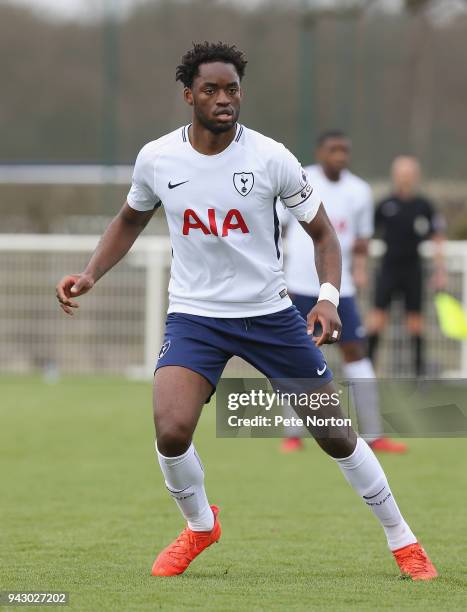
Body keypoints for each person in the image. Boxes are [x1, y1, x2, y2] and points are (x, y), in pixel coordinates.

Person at [55, 42, 436, 580]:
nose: (223, 99)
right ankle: (199, 525)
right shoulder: (158, 158)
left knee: (333, 433)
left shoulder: (270, 158)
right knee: (171, 429)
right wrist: (91, 272)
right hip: (195, 317)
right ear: (189, 95)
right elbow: (130, 220)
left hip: (269, 314)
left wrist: (328, 297)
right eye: (210, 90)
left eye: (232, 89)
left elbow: (324, 234)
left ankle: (404, 541)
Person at [279, 130, 406, 454]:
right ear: (320, 152)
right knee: (296, 358)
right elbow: (278, 228)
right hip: (298, 286)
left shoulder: (360, 191)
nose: (340, 156)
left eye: (345, 151)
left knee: (357, 355)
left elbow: (361, 241)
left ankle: (374, 435)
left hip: (338, 290)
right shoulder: (299, 180)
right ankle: (292, 434)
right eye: (334, 150)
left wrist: (360, 269)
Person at [367, 156, 446, 377]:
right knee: (376, 320)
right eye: (401, 173)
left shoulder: (424, 206)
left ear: (415, 176)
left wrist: (440, 271)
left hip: (413, 270)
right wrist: (359, 267)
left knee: (416, 324)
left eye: (409, 173)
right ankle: (366, 372)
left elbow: (438, 237)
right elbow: (366, 235)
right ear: (394, 176)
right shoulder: (385, 204)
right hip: (388, 268)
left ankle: (419, 376)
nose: (405, 178)